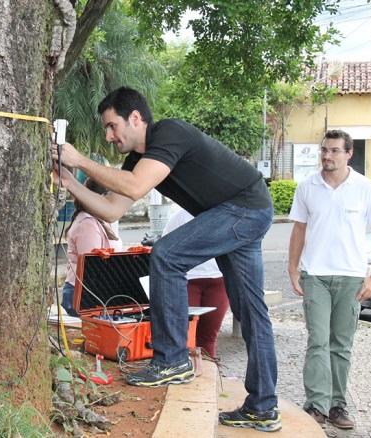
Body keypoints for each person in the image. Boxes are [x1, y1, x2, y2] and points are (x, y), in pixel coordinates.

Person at [52, 86, 280, 432]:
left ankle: (172, 360)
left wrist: (80, 160)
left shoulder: (170, 133)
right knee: (251, 313)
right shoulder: (137, 161)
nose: (109, 135)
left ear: (136, 118)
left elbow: (133, 187)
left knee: (166, 255)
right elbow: (112, 209)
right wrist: (70, 182)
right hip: (240, 213)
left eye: (112, 126)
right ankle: (263, 407)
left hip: (244, 209)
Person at [288, 129, 371, 430]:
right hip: (315, 275)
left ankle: (337, 405)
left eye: (333, 151)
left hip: (352, 278)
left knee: (341, 344)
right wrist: (293, 269)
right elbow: (299, 230)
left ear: (348, 154)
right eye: (324, 150)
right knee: (318, 341)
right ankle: (316, 405)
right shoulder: (307, 187)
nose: (327, 156)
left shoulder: (367, 188)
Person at [162, 208, 229, 357]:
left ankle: (212, 377)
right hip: (187, 280)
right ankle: (187, 375)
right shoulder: (180, 216)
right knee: (185, 337)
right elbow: (164, 248)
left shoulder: (225, 212)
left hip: (219, 280)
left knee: (209, 337)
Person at [61, 178, 123, 317]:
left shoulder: (99, 220)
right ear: (101, 198)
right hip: (86, 294)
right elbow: (92, 267)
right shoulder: (87, 225)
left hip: (97, 291)